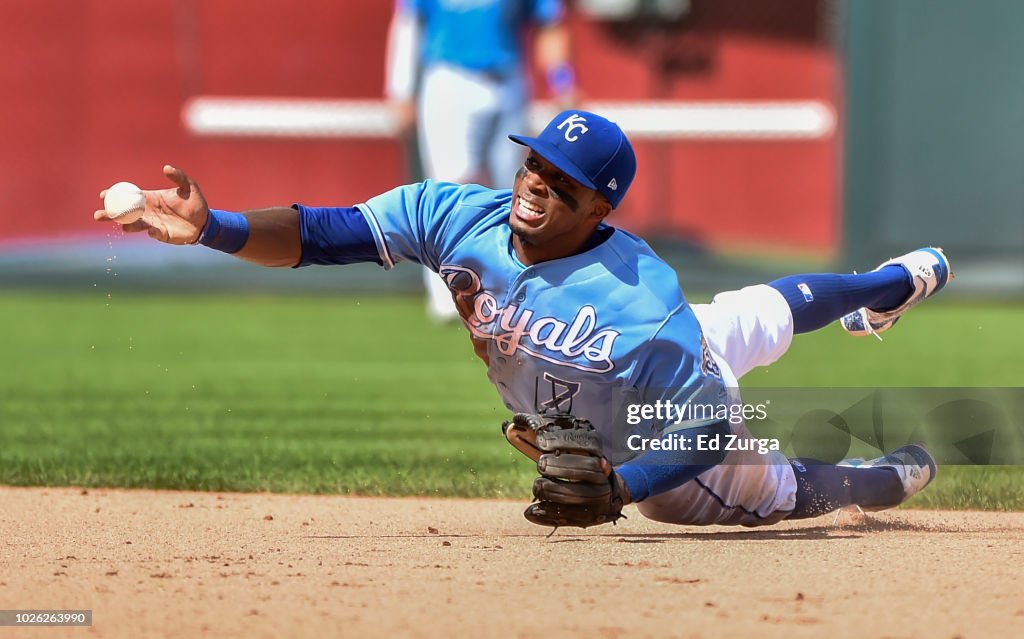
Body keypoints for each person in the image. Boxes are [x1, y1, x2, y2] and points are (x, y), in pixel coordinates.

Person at [94, 110, 950, 529]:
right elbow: (324, 234)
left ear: (600, 208)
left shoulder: (636, 301)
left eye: (562, 179)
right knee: (751, 312)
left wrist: (619, 487)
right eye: (534, 162)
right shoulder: (456, 214)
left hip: (663, 422)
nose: (536, 182)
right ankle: (888, 282)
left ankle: (879, 480)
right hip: (661, 353)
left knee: (769, 490)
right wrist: (215, 228)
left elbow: (712, 427)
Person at [385, 0, 575, 322]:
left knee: (516, 188)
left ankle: (512, 291)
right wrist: (401, 90)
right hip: (449, 79)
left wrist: (563, 83)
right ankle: (448, 295)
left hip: (508, 80)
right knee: (449, 187)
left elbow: (549, 23)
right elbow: (408, 22)